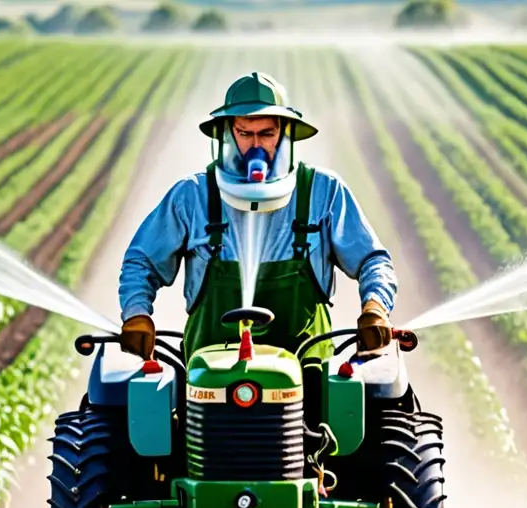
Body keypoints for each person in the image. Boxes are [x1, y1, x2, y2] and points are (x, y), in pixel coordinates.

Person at [117, 71, 398, 362]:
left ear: (286, 133)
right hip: (207, 370)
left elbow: (372, 260)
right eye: (245, 133)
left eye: (267, 134)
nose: (256, 146)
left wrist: (375, 307)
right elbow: (142, 262)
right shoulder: (193, 195)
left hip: (309, 370)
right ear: (227, 133)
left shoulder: (323, 192)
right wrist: (137, 314)